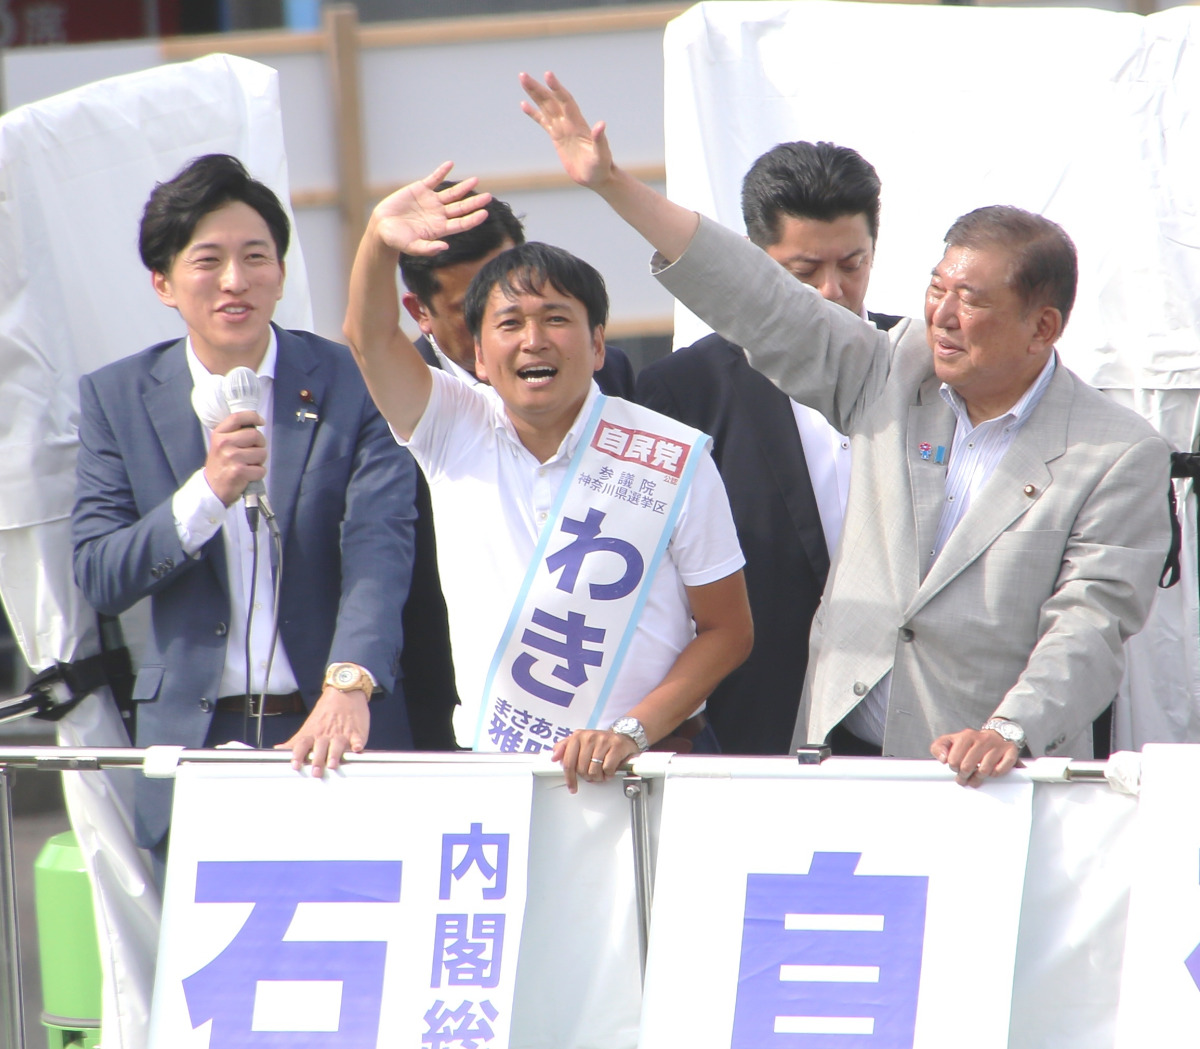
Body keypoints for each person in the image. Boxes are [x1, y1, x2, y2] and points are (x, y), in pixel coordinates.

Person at [520, 71, 1172, 786]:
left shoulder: (1116, 452)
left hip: (985, 774)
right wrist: (613, 185)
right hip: (831, 752)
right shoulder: (896, 367)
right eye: (936, 289)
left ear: (1042, 326)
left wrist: (1009, 730)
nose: (942, 316)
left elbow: (1090, 622)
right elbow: (760, 299)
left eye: (971, 300)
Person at [343, 164, 754, 786]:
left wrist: (631, 731)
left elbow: (728, 631)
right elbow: (368, 338)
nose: (533, 340)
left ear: (597, 344)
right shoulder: (451, 426)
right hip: (503, 769)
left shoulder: (673, 456)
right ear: (479, 355)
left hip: (652, 766)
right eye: (509, 324)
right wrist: (378, 237)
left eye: (556, 319)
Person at [72, 154, 419, 852]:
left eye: (256, 256)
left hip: (338, 729)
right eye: (208, 260)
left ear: (281, 274)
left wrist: (349, 680)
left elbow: (381, 543)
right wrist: (209, 492)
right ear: (163, 282)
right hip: (194, 745)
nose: (235, 280)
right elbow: (102, 573)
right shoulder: (117, 397)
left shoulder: (354, 381)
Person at [635, 141, 900, 755]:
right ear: (753, 263)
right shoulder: (685, 390)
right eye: (802, 272)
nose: (831, 291)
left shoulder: (921, 367)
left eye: (853, 264)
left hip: (910, 732)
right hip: (754, 728)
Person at [399, 185, 636, 397]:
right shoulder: (392, 398)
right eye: (471, 307)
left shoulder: (605, 371)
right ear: (420, 311)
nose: (531, 340)